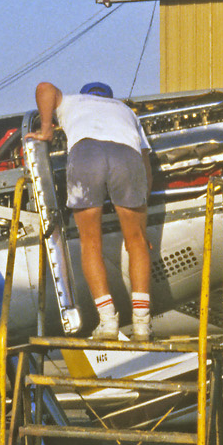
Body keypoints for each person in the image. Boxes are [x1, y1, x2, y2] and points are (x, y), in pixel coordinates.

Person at [28, 81, 155, 341]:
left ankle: (108, 322)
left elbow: (44, 88)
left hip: (87, 154)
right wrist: (142, 213)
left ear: (85, 95)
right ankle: (142, 324)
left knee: (90, 244)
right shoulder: (126, 111)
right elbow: (145, 165)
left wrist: (46, 130)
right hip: (127, 158)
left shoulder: (73, 101)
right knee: (137, 242)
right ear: (109, 97)